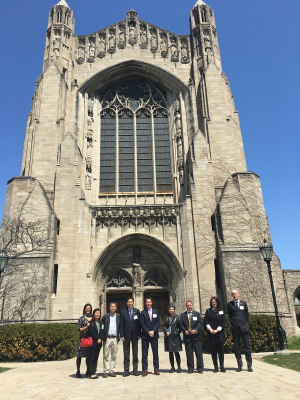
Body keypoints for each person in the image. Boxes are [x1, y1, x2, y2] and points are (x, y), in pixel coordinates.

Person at [228, 290, 253, 372]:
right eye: (233, 294)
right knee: (237, 347)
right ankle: (239, 365)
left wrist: (244, 323)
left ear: (238, 294)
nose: (234, 295)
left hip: (244, 328)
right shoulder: (230, 304)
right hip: (235, 329)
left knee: (247, 347)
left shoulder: (244, 303)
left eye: (235, 294)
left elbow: (246, 315)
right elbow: (230, 316)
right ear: (232, 296)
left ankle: (249, 365)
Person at [180, 300, 204, 373]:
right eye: (188, 305)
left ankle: (200, 368)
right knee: (189, 353)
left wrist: (196, 330)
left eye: (190, 305)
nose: (189, 307)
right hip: (187, 337)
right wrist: (185, 331)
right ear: (186, 306)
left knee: (198, 353)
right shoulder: (183, 315)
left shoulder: (196, 314)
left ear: (192, 306)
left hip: (196, 337)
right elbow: (181, 324)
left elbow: (200, 323)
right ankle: (190, 368)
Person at [120, 296, 141, 377]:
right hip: (126, 335)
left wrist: (139, 334)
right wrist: (121, 335)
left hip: (135, 335)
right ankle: (126, 370)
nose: (130, 303)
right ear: (126, 303)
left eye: (131, 302)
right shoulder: (123, 312)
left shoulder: (137, 311)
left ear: (133, 303)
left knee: (135, 353)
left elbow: (139, 324)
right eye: (128, 302)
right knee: (126, 353)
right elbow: (121, 324)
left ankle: (135, 370)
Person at [204, 297, 226, 373]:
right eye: (212, 302)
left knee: (221, 351)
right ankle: (215, 366)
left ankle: (222, 366)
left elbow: (223, 321)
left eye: (215, 302)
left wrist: (217, 330)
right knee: (213, 351)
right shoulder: (208, 311)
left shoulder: (221, 311)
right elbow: (206, 321)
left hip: (219, 333)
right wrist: (210, 329)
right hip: (211, 334)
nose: (214, 303)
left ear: (217, 303)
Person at [140, 296, 160, 376]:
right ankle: (145, 369)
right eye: (147, 302)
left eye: (149, 302)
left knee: (155, 353)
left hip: (154, 336)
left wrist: (153, 331)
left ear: (152, 303)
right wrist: (148, 331)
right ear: (145, 303)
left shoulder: (156, 311)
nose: (148, 303)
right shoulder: (143, 312)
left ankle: (156, 368)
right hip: (145, 336)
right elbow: (142, 323)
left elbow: (157, 322)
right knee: (144, 353)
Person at [102, 302, 120, 378]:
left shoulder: (118, 316)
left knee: (114, 355)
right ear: (109, 308)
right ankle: (106, 370)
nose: (112, 308)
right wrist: (102, 337)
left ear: (116, 308)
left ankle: (112, 370)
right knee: (106, 355)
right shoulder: (105, 316)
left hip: (115, 338)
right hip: (107, 338)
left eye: (114, 306)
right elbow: (102, 327)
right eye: (111, 306)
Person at [163, 304, 182, 373]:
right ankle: (172, 367)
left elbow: (179, 327)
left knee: (176, 352)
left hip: (175, 337)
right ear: (168, 310)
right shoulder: (166, 317)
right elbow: (164, 325)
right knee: (170, 353)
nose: (171, 310)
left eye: (172, 309)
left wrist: (175, 333)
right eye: (170, 309)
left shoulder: (177, 317)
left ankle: (179, 367)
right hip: (168, 337)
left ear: (174, 310)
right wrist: (166, 332)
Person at [75, 303, 92, 378]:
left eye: (89, 308)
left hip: (90, 339)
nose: (88, 309)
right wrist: (86, 327)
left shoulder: (92, 318)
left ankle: (88, 371)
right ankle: (78, 371)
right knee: (79, 356)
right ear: (84, 309)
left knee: (89, 356)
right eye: (87, 308)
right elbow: (79, 329)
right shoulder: (81, 318)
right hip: (83, 339)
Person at [88, 308, 104, 379]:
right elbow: (91, 332)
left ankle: (94, 371)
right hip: (93, 342)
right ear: (94, 314)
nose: (98, 314)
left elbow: (102, 331)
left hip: (99, 343)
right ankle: (90, 373)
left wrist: (100, 338)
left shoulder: (101, 322)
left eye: (99, 313)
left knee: (96, 358)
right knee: (91, 358)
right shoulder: (90, 323)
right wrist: (97, 338)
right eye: (96, 313)